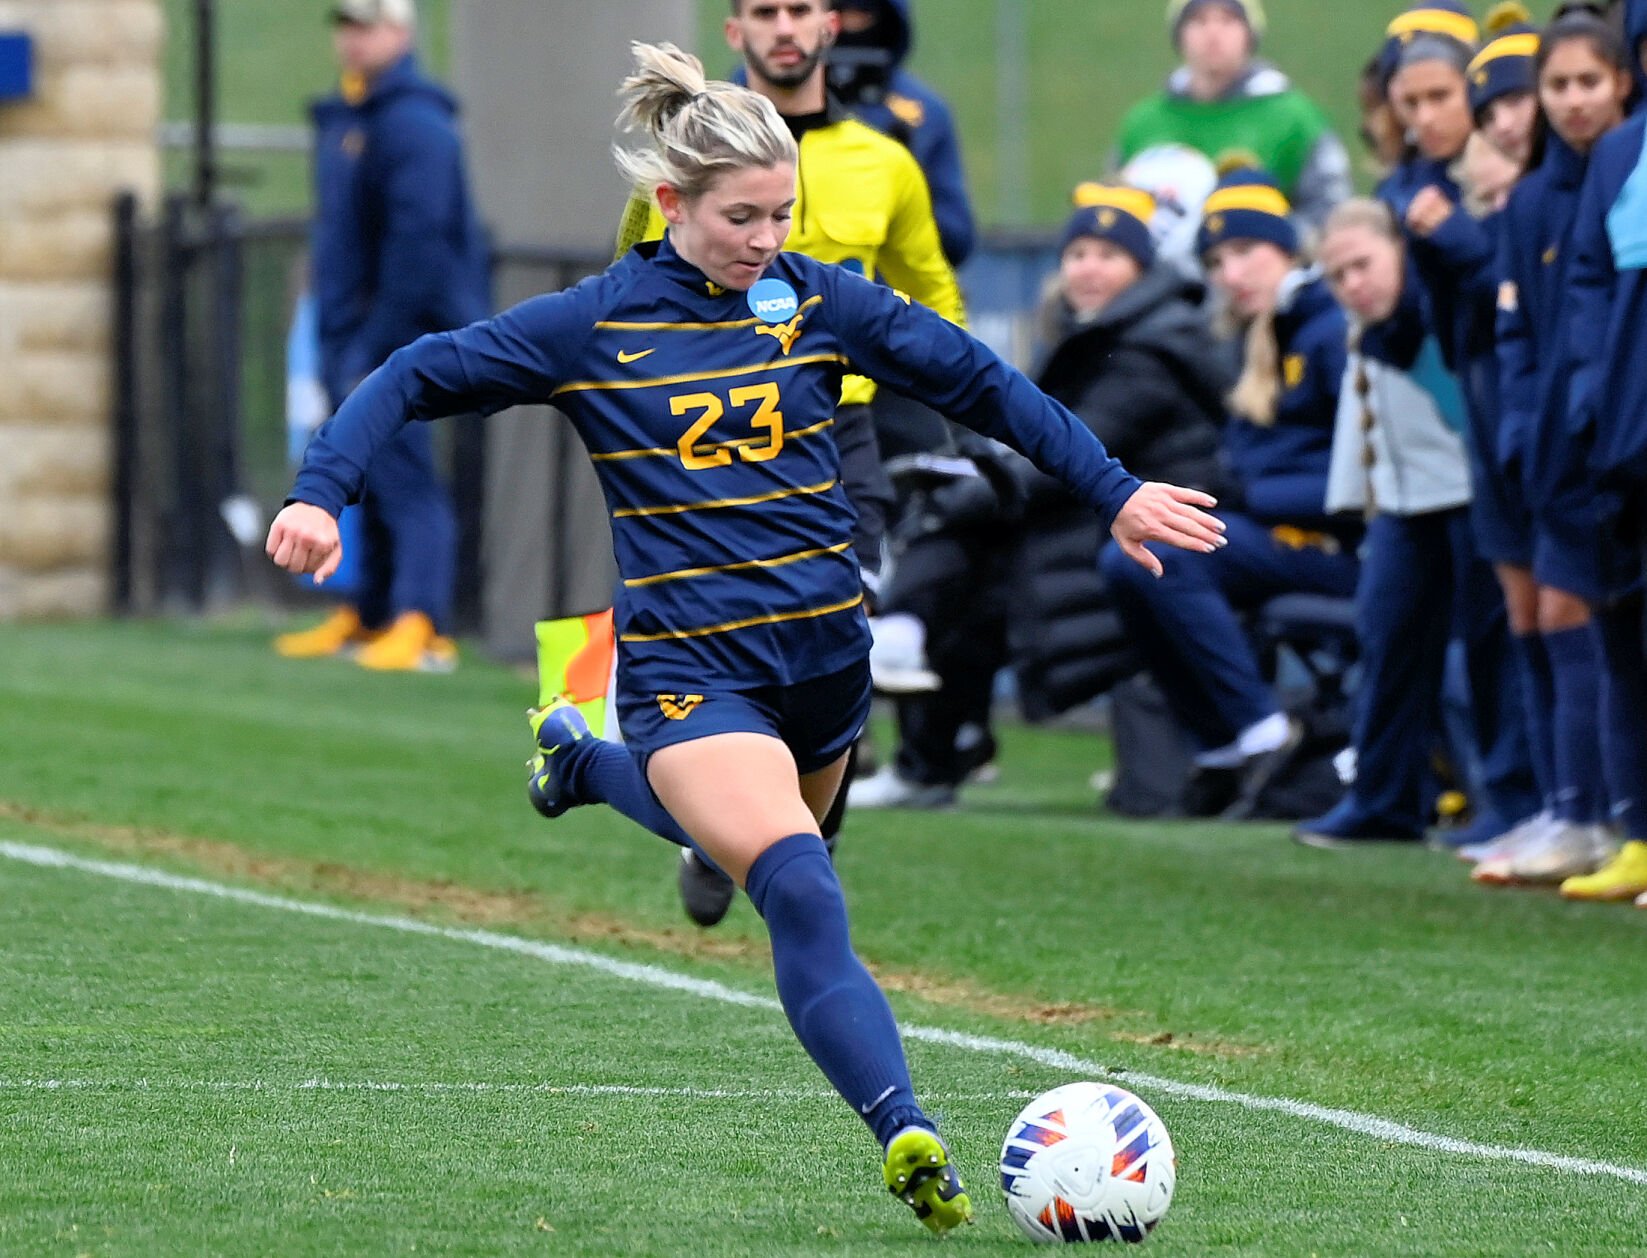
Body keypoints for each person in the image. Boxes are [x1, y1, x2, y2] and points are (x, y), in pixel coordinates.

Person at [263, 42, 1224, 1233]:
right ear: (670, 205)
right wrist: (321, 489)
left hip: (827, 666)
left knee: (760, 851)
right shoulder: (593, 325)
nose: (767, 239)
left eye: (781, 214)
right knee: (804, 890)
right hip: (689, 672)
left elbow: (983, 382)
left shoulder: (820, 301)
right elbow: (413, 371)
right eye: (740, 218)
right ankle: (905, 1128)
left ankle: (582, 764)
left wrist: (1116, 490)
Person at [616, 0, 968, 926]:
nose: (784, 27)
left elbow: (934, 302)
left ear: (831, 25)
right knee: (728, 656)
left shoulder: (885, 161)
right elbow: (625, 297)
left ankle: (803, 858)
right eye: (764, 10)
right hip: (708, 444)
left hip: (836, 440)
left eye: (800, 8)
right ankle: (719, 822)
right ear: (734, 30)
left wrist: (957, 421)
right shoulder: (683, 165)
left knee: (837, 631)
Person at [851, 186, 1233, 809]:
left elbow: (1077, 460)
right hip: (1089, 530)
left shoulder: (1148, 351)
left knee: (969, 549)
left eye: (1108, 255)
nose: (1087, 267)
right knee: (963, 546)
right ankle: (922, 708)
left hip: (1146, 542)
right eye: (1077, 252)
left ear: (1143, 269)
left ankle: (910, 672)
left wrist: (971, 495)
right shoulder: (1096, 335)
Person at [1101, 170, 1359, 819]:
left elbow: (1358, 473)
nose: (1230, 272)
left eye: (1246, 252)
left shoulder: (1325, 329)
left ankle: (1263, 731)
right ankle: (1217, 745)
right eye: (1216, 261)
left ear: (1288, 251)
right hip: (1273, 530)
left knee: (1175, 553)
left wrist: (1248, 492)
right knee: (1129, 557)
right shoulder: (1257, 334)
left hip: (1337, 544)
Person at [273, 0, 488, 672]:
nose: (353, 38)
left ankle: (422, 621)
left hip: (399, 337)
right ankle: (369, 613)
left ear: (402, 32)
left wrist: (379, 340)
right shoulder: (351, 115)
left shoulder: (415, 121)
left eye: (367, 24)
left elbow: (419, 245)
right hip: (352, 332)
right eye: (346, 25)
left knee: (405, 477)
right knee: (364, 473)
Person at [1377, 7, 1544, 850]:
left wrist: (1454, 240)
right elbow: (1408, 325)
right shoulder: (1410, 188)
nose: (1422, 117)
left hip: (1522, 415)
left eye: (1439, 95)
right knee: (1493, 623)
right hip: (1471, 425)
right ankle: (1511, 800)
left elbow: (1517, 298)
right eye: (1408, 102)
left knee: (1539, 618)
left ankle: (1550, 801)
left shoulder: (1509, 183)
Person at [1500, 6, 1647, 898]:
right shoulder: (1623, 155)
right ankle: (1633, 829)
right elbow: (1590, 290)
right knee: (1622, 635)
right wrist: (1590, 411)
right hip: (1622, 450)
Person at [1296, 199, 1479, 847]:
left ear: (1398, 251)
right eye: (1337, 275)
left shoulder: (1435, 310)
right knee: (1385, 642)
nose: (1352, 284)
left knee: (1475, 656)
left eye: (1362, 265)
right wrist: (1354, 500)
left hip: (1465, 493)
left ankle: (1498, 803)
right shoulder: (1364, 328)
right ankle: (1381, 801)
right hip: (1402, 506)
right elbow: (1361, 422)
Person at [1113, 0, 1352, 235]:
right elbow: (1113, 203)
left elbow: (1330, 210)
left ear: (1250, 34)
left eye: (1227, 20)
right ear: (1179, 34)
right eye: (1198, 21)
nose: (1213, 33)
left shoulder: (1295, 117)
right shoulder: (1143, 121)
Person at [826, 0, 976, 266]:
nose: (849, 27)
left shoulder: (925, 113)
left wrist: (907, 183)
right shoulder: (757, 94)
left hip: (892, 295)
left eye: (862, 13)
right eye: (838, 13)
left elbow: (958, 240)